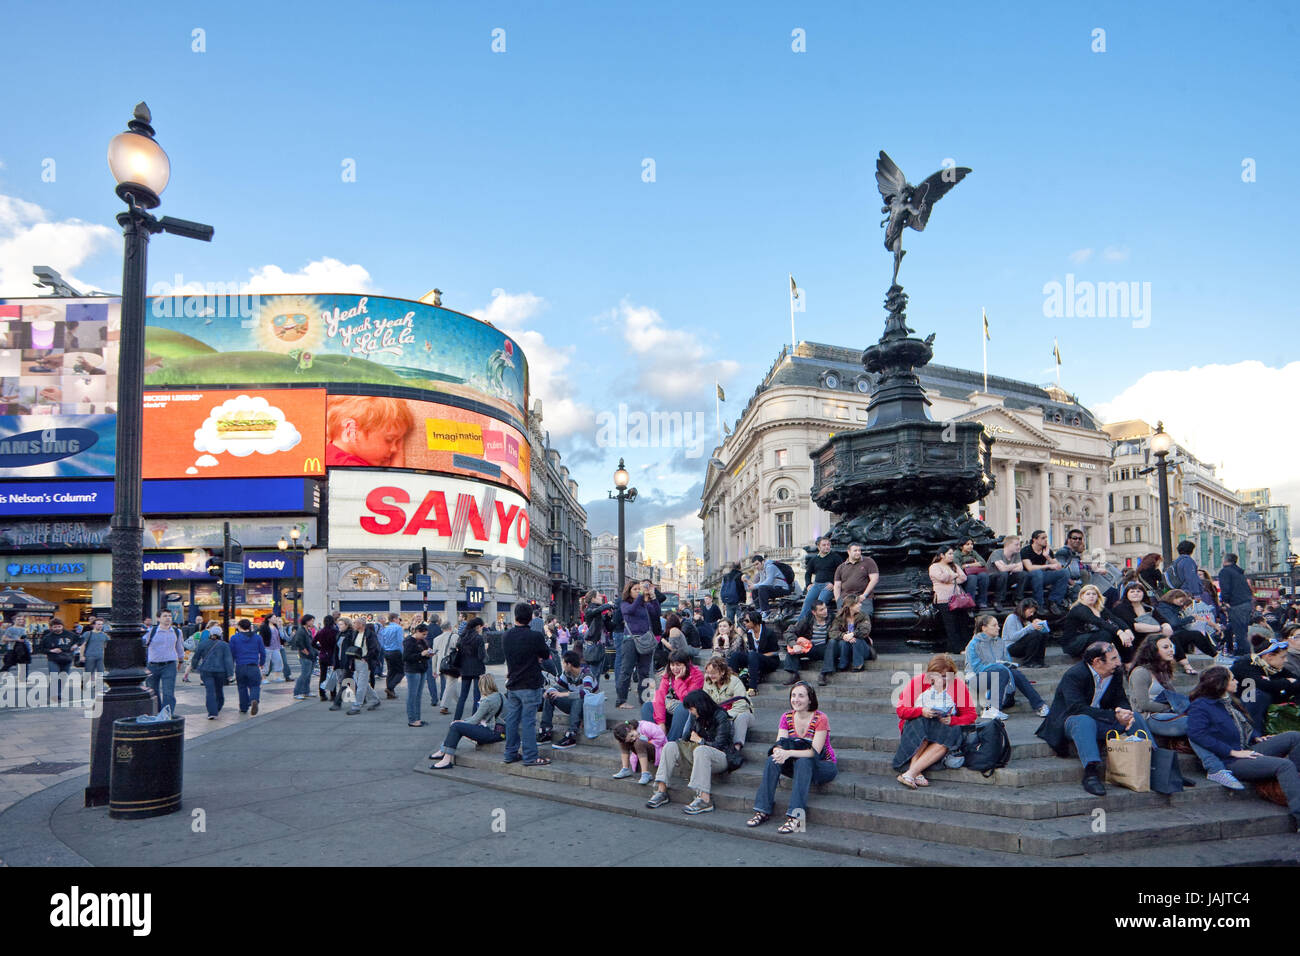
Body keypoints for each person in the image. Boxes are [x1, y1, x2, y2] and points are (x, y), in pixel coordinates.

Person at [1187, 665, 1300, 831]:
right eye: (1232, 679)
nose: (1237, 681)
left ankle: (1293, 782)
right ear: (1221, 683)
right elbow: (1197, 734)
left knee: (1294, 736)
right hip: (1230, 760)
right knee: (1285, 765)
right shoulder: (1201, 706)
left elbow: (1239, 724)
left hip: (1246, 748)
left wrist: (1255, 736)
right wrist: (1232, 752)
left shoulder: (1227, 701)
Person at [1036, 641, 1154, 796]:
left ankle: (1157, 764)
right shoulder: (1075, 674)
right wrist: (1113, 715)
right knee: (1084, 720)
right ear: (1097, 661)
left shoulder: (1115, 673)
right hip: (1071, 721)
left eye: (1117, 658)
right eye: (1113, 659)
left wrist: (1124, 712)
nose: (1118, 663)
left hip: (1101, 719)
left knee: (1135, 717)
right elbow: (1076, 708)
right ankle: (1091, 773)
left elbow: (1120, 698)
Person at [1129, 636, 1237, 788]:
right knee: (1193, 723)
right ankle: (1215, 769)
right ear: (1153, 650)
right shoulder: (1140, 672)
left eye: (1171, 646)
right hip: (1148, 717)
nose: (1171, 650)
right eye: (1165, 647)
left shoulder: (1164, 670)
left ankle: (1228, 759)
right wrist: (1170, 708)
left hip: (1168, 715)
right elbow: (1142, 704)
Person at [748, 681, 838, 833]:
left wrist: (788, 753)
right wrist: (778, 751)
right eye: (793, 695)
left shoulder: (820, 718)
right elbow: (780, 743)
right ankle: (762, 810)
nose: (796, 699)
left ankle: (796, 818)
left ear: (810, 699)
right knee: (772, 760)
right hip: (797, 764)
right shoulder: (787, 717)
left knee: (804, 761)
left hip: (823, 766)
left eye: (801, 696)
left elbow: (813, 752)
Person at [646, 689, 742, 813]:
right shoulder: (694, 716)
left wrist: (700, 741)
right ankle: (661, 790)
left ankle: (704, 799)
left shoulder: (721, 716)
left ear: (700, 706)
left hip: (721, 758)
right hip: (698, 755)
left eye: (691, 709)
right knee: (670, 746)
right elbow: (685, 738)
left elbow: (720, 745)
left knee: (701, 750)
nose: (690, 712)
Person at [893, 654, 977, 788]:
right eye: (936, 675)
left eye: (944, 676)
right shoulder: (918, 682)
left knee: (946, 739)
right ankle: (915, 773)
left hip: (943, 728)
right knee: (924, 728)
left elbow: (971, 715)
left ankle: (911, 773)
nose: (940, 680)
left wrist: (952, 720)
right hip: (916, 727)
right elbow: (901, 711)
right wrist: (921, 711)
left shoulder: (957, 685)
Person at [965, 613, 1049, 720]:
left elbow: (1008, 661)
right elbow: (977, 668)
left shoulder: (1000, 643)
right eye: (994, 625)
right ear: (984, 628)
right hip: (978, 680)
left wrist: (1006, 666)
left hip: (1000, 677)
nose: (998, 628)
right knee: (1000, 669)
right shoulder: (973, 644)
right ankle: (992, 709)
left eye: (998, 625)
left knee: (1014, 672)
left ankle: (1039, 705)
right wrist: (997, 666)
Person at [502, 601, 553, 768]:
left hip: (513, 684)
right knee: (528, 721)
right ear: (531, 617)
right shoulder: (535, 636)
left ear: (515, 616)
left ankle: (510, 753)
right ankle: (530, 756)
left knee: (512, 720)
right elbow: (545, 654)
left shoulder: (506, 635)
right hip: (530, 683)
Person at [428, 675, 506, 769]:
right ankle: (443, 751)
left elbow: (474, 720)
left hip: (492, 732)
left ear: (481, 686)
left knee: (456, 726)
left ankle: (446, 758)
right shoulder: (500, 695)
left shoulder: (487, 700)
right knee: (457, 725)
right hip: (501, 731)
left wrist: (461, 721)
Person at [1231, 633, 1298, 734]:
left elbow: (1297, 682)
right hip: (1238, 708)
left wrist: (1275, 684)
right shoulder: (1245, 665)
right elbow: (1261, 685)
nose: (1286, 660)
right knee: (1259, 694)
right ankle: (1252, 735)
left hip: (1259, 707)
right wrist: (1286, 682)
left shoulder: (1274, 668)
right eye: (1283, 657)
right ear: (1269, 656)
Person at [324, 395, 414, 467]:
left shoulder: (329, 455)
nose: (395, 449)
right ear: (351, 431)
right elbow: (394, 486)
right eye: (389, 439)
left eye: (397, 442)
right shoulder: (350, 468)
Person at [641, 650, 704, 742]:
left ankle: (669, 742)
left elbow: (688, 700)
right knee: (647, 706)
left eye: (678, 665)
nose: (675, 668)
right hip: (671, 706)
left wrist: (678, 680)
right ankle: (652, 740)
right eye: (672, 665)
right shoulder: (669, 674)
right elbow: (660, 695)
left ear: (686, 664)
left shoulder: (697, 675)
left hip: (689, 711)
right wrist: (661, 722)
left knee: (683, 708)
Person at [615, 580, 660, 710]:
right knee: (626, 671)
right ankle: (621, 701)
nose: (638, 591)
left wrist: (653, 597)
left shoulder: (644, 604)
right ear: (628, 592)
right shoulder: (624, 604)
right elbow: (631, 610)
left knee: (644, 672)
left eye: (638, 589)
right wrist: (641, 594)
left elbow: (656, 613)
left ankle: (645, 700)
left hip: (645, 640)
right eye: (635, 589)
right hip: (630, 640)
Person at [539, 650, 597, 749]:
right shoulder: (566, 674)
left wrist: (563, 694)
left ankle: (571, 734)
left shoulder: (587, 674)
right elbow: (557, 686)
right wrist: (549, 691)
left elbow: (587, 693)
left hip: (588, 709)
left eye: (564, 663)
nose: (563, 665)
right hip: (574, 707)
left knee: (579, 698)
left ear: (569, 664)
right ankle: (545, 730)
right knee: (551, 695)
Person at [1058, 584, 1133, 659]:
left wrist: (1127, 629)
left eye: (1094, 594)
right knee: (1106, 634)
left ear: (1097, 596)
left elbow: (1114, 618)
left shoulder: (1099, 608)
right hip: (1074, 642)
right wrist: (1119, 632)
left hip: (1091, 637)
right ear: (1082, 596)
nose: (1091, 596)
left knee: (1119, 635)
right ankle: (1098, 659)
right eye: (1088, 594)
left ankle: (1127, 661)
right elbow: (1098, 621)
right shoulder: (1079, 609)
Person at [1111, 580, 1175, 666]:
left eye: (1138, 591)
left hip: (1149, 635)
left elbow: (1162, 620)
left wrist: (1166, 626)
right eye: (1132, 591)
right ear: (1126, 594)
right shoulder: (1121, 607)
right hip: (1133, 637)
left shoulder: (1148, 607)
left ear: (1143, 593)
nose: (1136, 593)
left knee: (1173, 638)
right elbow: (1135, 626)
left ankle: (1184, 664)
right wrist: (1159, 628)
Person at [1154, 589, 1218, 672]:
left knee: (1197, 634)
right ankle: (1213, 655)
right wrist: (1191, 618)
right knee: (1193, 635)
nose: (1182, 603)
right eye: (1180, 601)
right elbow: (1174, 623)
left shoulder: (1172, 607)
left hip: (1177, 631)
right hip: (1172, 632)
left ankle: (1214, 654)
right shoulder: (1164, 608)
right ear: (1173, 598)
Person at [702, 655, 752, 751]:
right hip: (719, 714)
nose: (710, 676)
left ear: (723, 672)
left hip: (740, 713)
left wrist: (724, 716)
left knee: (741, 718)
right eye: (708, 673)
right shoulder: (708, 682)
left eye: (713, 673)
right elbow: (705, 702)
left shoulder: (735, 681)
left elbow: (742, 704)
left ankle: (736, 748)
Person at [727, 609, 780, 695]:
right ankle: (733, 683)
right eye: (744, 621)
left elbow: (775, 652)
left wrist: (758, 656)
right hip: (754, 659)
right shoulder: (749, 633)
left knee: (752, 655)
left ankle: (753, 688)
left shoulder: (769, 633)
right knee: (735, 656)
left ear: (755, 621)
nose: (745, 623)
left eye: (747, 621)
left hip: (770, 660)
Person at [781, 598, 833, 685]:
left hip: (825, 648)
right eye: (821, 610)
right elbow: (789, 632)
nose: (825, 611)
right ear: (814, 612)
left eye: (825, 608)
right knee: (791, 648)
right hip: (810, 647)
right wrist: (794, 645)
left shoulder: (832, 619)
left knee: (832, 645)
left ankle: (823, 674)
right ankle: (794, 674)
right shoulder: (807, 619)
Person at [825, 590, 874, 680]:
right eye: (858, 603)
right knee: (843, 642)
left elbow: (865, 630)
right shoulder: (840, 617)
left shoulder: (863, 616)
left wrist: (852, 634)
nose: (860, 605)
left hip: (862, 648)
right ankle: (843, 664)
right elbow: (832, 632)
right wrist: (844, 636)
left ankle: (858, 665)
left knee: (857, 640)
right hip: (846, 647)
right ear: (851, 606)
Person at [143, 611, 185, 714]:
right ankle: (156, 713)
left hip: (169, 665)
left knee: (168, 693)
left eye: (169, 616)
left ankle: (166, 715)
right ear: (158, 618)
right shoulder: (151, 631)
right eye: (165, 616)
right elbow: (142, 644)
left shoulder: (177, 632)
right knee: (153, 691)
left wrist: (181, 660)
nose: (168, 618)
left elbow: (179, 647)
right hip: (152, 665)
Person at [929, 547, 969, 652]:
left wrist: (950, 578)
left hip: (957, 599)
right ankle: (956, 648)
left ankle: (963, 646)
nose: (952, 556)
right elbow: (942, 578)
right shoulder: (934, 566)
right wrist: (954, 575)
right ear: (942, 555)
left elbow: (963, 577)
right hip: (943, 600)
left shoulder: (954, 565)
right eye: (950, 554)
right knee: (950, 625)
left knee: (962, 623)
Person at [1020, 530, 1070, 614]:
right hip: (1028, 578)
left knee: (1064, 573)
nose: (1046, 540)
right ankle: (1039, 604)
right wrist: (1048, 566)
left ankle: (1053, 601)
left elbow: (1058, 566)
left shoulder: (1047, 551)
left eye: (1046, 538)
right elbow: (1029, 568)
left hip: (1041, 576)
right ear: (1035, 540)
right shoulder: (1026, 550)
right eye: (1043, 538)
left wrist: (1047, 557)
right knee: (1037, 573)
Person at [191, 625, 235, 719]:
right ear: (220, 634)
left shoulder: (203, 644)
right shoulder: (224, 645)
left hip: (206, 670)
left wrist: (194, 667)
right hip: (220, 671)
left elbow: (196, 657)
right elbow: (228, 660)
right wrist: (230, 673)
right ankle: (217, 707)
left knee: (210, 691)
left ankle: (212, 712)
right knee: (219, 690)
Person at [1218, 554, 1254, 657]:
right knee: (1242, 632)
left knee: (1240, 635)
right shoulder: (1239, 573)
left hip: (1236, 605)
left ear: (1225, 560)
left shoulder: (1225, 571)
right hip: (1246, 604)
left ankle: (1248, 657)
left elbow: (1225, 588)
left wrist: (1225, 602)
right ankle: (1243, 653)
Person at [452, 617, 487, 720]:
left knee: (463, 696)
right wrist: (485, 649)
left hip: (465, 669)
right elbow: (481, 656)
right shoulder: (479, 638)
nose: (482, 629)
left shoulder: (462, 637)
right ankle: (474, 719)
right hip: (477, 669)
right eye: (481, 627)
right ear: (478, 627)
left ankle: (456, 719)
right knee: (477, 696)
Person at [800, 536, 842, 620]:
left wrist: (834, 584)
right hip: (816, 585)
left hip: (829, 586)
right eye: (824, 545)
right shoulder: (814, 559)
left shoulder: (835, 557)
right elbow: (808, 573)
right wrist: (808, 584)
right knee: (807, 602)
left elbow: (842, 572)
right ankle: (799, 626)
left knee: (820, 603)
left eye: (828, 545)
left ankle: (817, 625)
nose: (827, 547)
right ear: (818, 547)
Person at [612, 719, 666, 784]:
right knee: (623, 742)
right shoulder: (631, 734)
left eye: (632, 735)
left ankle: (645, 774)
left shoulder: (646, 726)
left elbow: (661, 737)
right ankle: (625, 769)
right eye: (631, 739)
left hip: (658, 750)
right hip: (642, 751)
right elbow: (630, 739)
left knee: (638, 742)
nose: (633, 738)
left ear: (630, 728)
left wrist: (647, 741)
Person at [347, 618, 383, 715]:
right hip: (356, 661)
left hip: (365, 662)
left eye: (355, 623)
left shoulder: (370, 634)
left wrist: (367, 658)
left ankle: (356, 706)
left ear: (361, 624)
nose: (354, 625)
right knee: (362, 683)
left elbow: (375, 648)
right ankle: (375, 700)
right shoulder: (355, 633)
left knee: (361, 685)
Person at [833, 543, 880, 617]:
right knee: (844, 618)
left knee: (864, 616)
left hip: (863, 598)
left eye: (859, 550)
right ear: (848, 552)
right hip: (846, 598)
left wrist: (864, 595)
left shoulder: (868, 561)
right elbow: (837, 586)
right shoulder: (841, 567)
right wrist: (838, 601)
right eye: (855, 551)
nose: (858, 552)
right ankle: (849, 629)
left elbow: (874, 579)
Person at [230, 619, 266, 715]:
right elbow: (262, 652)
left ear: (239, 627)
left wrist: (231, 667)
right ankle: (254, 699)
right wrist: (261, 663)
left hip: (240, 666)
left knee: (242, 687)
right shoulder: (257, 638)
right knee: (255, 686)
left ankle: (243, 707)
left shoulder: (234, 638)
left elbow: (232, 653)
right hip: (253, 665)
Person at [40, 619, 79, 705]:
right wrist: (51, 650)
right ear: (51, 627)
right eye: (55, 627)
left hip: (67, 659)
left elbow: (80, 639)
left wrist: (75, 645)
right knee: (54, 677)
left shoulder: (69, 634)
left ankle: (58, 694)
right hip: (53, 659)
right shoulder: (47, 637)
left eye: (59, 626)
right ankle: (53, 695)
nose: (57, 628)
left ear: (62, 626)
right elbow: (41, 649)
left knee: (63, 678)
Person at [1002, 598, 1050, 667]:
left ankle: (1040, 661)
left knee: (1043, 634)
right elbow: (1013, 637)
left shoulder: (1026, 620)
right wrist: (1030, 627)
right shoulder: (1011, 618)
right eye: (1030, 612)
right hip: (1010, 646)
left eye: (1033, 612)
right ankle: (1028, 662)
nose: (1031, 614)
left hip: (1021, 645)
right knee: (1035, 635)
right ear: (1023, 609)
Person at [988, 535, 1028, 609]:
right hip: (992, 580)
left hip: (1006, 578)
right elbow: (1002, 569)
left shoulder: (1016, 554)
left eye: (1020, 544)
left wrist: (1008, 567)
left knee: (1023, 574)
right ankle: (997, 600)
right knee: (1003, 574)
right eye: (1016, 545)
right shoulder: (997, 553)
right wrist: (1014, 566)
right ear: (1008, 545)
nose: (1019, 547)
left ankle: (1018, 598)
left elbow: (1020, 568)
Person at [1054, 528, 1089, 601]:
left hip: (1077, 583)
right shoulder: (1063, 552)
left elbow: (1076, 568)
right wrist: (1073, 584)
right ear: (1069, 539)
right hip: (1069, 586)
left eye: (1080, 539)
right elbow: (1060, 570)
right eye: (1074, 538)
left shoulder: (1074, 553)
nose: (1077, 540)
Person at [957, 537, 993, 609]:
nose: (970, 546)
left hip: (975, 573)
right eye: (967, 544)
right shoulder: (957, 554)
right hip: (963, 576)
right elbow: (958, 567)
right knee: (972, 578)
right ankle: (971, 602)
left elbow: (983, 563)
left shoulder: (973, 552)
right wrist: (976, 563)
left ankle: (982, 602)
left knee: (984, 576)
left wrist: (968, 565)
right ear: (961, 546)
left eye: (971, 544)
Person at [378, 612, 406, 699]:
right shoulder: (398, 628)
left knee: (391, 671)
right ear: (394, 619)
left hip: (387, 651)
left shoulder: (386, 628)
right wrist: (403, 653)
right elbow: (400, 641)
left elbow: (382, 641)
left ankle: (390, 693)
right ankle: (390, 688)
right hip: (396, 651)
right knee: (401, 671)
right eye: (398, 619)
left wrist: (385, 649)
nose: (399, 620)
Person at [289, 614, 316, 699]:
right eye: (311, 621)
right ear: (307, 621)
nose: (312, 622)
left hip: (311, 655)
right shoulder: (301, 631)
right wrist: (306, 652)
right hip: (305, 656)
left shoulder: (308, 630)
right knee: (304, 674)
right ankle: (297, 692)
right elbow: (299, 643)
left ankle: (306, 691)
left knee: (308, 675)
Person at [313, 615, 339, 702]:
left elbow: (312, 643)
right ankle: (333, 694)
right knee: (332, 676)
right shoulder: (335, 632)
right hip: (332, 655)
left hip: (323, 655)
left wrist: (320, 648)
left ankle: (322, 694)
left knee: (322, 675)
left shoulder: (320, 632)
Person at [81, 618, 107, 691]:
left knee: (100, 672)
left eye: (101, 624)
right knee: (88, 671)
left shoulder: (104, 635)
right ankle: (84, 682)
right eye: (98, 624)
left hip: (100, 656)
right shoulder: (88, 634)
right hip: (89, 656)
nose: (100, 626)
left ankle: (98, 685)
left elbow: (106, 645)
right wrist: (82, 656)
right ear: (93, 625)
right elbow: (83, 645)